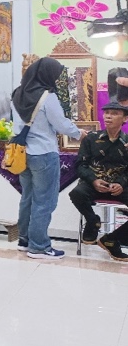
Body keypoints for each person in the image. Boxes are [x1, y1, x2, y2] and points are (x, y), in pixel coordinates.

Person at [12, 57, 85, 259]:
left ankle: (24, 240)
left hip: (22, 154)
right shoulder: (47, 96)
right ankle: (39, 246)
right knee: (45, 201)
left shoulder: (18, 93)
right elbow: (61, 124)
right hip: (43, 153)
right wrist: (79, 133)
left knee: (28, 198)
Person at [67, 102, 128, 250]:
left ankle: (112, 239)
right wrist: (93, 180)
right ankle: (93, 220)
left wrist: (121, 183)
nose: (108, 116)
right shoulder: (91, 138)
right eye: (106, 113)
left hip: (120, 186)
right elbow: (80, 165)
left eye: (114, 113)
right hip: (94, 184)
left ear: (125, 119)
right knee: (76, 193)